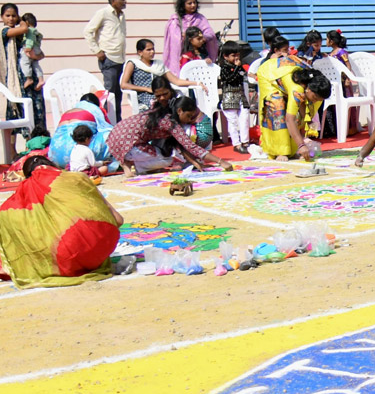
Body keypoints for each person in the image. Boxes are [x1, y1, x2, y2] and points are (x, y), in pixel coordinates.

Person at [0, 156, 124, 289]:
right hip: (101, 249)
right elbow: (119, 220)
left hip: (64, 260)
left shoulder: (25, 193)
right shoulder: (78, 178)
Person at [107, 93, 231, 175]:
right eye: (188, 116)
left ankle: (128, 163)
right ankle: (129, 163)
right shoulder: (171, 123)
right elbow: (190, 146)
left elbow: (182, 146)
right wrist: (220, 161)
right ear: (180, 111)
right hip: (126, 143)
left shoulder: (163, 113)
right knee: (166, 159)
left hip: (117, 137)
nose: (189, 120)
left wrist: (194, 162)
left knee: (162, 154)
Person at [258, 52, 332, 161]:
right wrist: (301, 145)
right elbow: (290, 119)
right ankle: (279, 151)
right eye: (315, 98)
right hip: (269, 75)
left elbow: (302, 106)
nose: (315, 101)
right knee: (277, 105)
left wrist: (308, 121)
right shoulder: (297, 90)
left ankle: (292, 150)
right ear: (308, 89)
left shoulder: (312, 83)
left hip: (285, 75)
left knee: (297, 114)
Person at [84, 0, 127, 121]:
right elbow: (88, 31)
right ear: (113, 1)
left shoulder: (121, 15)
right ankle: (106, 120)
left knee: (118, 93)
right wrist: (97, 51)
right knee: (109, 93)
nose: (124, 1)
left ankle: (117, 121)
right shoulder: (103, 13)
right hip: (109, 58)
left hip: (120, 58)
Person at [120, 39, 194, 112]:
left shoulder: (158, 64)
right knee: (157, 104)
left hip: (162, 93)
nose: (152, 52)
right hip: (144, 95)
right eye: (149, 50)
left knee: (181, 103)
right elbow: (124, 85)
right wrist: (146, 89)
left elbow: (176, 81)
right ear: (140, 52)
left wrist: (195, 83)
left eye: (153, 49)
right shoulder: (133, 64)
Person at [162, 0, 217, 74]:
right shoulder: (175, 20)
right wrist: (185, 37)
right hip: (182, 55)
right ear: (182, 5)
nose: (193, 5)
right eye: (189, 3)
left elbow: (210, 33)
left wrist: (203, 38)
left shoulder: (200, 18)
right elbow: (174, 41)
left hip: (199, 53)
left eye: (194, 2)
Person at [217, 41, 251, 154]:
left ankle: (245, 141)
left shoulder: (239, 66)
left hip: (241, 96)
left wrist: (239, 68)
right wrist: (236, 68)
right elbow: (229, 79)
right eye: (233, 55)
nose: (236, 58)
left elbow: (243, 76)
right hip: (229, 97)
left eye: (237, 55)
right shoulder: (224, 68)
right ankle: (236, 143)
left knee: (244, 118)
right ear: (225, 56)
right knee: (232, 121)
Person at [19, 13, 43, 94]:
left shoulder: (29, 30)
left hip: (30, 49)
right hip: (37, 49)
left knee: (24, 62)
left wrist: (28, 47)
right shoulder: (37, 32)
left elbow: (30, 39)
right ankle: (41, 79)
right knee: (36, 65)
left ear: (26, 22)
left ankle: (28, 78)